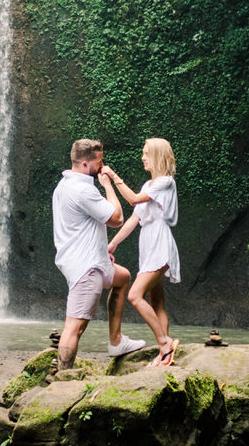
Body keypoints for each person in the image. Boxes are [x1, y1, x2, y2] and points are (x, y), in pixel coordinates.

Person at [53, 138, 146, 369]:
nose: (102, 166)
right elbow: (116, 219)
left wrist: (102, 252)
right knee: (75, 326)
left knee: (122, 277)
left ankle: (116, 341)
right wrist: (108, 185)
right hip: (87, 268)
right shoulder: (84, 190)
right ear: (85, 165)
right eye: (99, 162)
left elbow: (81, 226)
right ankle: (63, 376)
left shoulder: (63, 186)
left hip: (94, 261)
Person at [105, 138, 181, 367]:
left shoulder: (166, 182)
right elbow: (133, 220)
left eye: (146, 153)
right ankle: (163, 352)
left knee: (134, 295)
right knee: (157, 301)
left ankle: (165, 342)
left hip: (160, 243)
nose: (143, 157)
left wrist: (113, 178)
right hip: (148, 245)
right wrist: (112, 244)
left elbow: (133, 200)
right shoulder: (149, 185)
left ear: (158, 155)